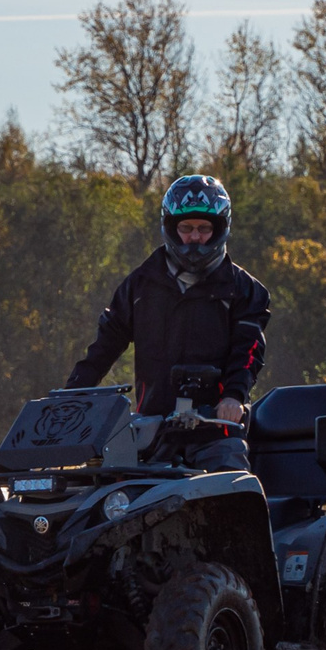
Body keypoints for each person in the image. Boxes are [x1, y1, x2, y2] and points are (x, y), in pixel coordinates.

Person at [63, 173, 272, 446]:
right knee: (111, 485)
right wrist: (70, 398)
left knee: (231, 480)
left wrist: (233, 397)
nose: (194, 237)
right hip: (150, 433)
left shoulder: (246, 290)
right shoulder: (139, 285)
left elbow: (248, 352)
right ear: (171, 227)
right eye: (186, 228)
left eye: (204, 228)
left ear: (220, 229)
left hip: (217, 432)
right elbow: (104, 347)